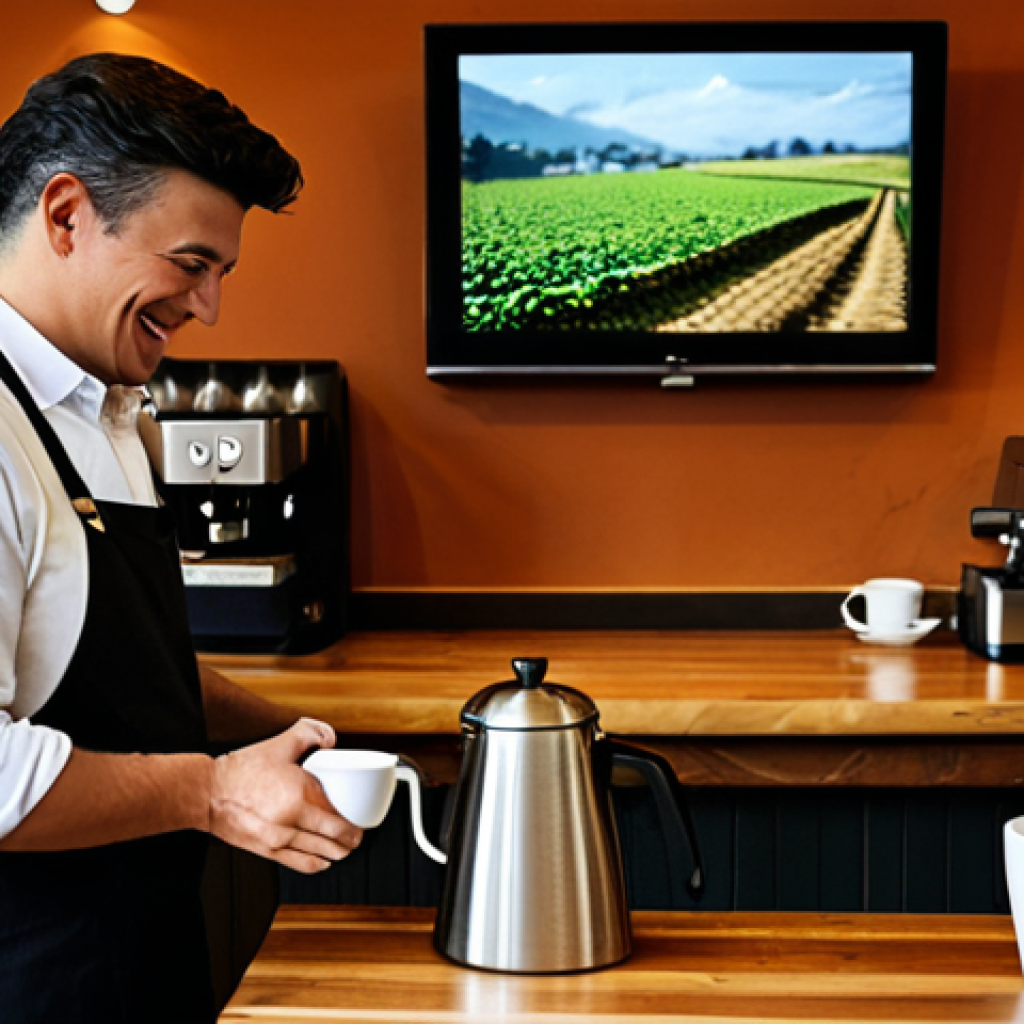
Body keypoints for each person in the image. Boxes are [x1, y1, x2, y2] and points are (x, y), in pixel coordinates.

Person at [0, 53, 362, 1023]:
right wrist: (212, 793)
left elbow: (131, 672)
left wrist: (287, 734)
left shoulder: (111, 409)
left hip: (140, 957)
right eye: (191, 264)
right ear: (67, 214)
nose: (208, 308)